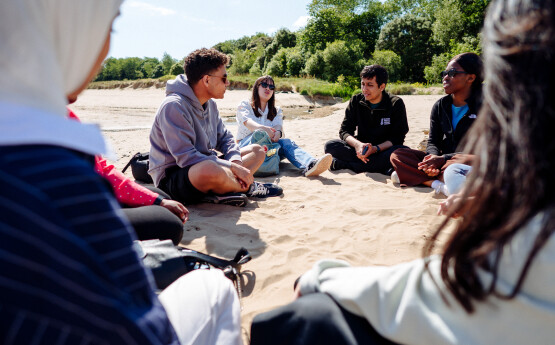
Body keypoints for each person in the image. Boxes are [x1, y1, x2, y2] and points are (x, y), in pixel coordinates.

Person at [250, 0, 555, 343]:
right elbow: (364, 134)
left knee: (400, 157)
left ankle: (431, 177)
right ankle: (411, 172)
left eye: (452, 73)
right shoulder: (432, 105)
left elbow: (399, 139)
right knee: (341, 150)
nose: (445, 77)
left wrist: (391, 152)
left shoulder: (403, 104)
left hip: (444, 161)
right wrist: (361, 147)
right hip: (401, 158)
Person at [0, 1, 243, 344]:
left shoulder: (37, 144)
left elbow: (224, 138)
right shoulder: (48, 172)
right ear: (68, 33)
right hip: (179, 176)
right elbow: (135, 331)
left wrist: (231, 158)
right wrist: (161, 196)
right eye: (107, 28)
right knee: (214, 288)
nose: (104, 51)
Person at [149, 48, 282, 207]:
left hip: (208, 163)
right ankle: (248, 188)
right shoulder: (173, 106)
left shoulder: (210, 104)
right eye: (224, 78)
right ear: (206, 80)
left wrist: (235, 161)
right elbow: (187, 158)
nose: (228, 82)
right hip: (175, 176)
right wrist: (231, 167)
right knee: (210, 169)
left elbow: (225, 138)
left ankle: (223, 190)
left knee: (257, 151)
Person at [68, 108, 187, 245]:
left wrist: (157, 200)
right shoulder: (50, 119)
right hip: (80, 215)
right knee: (169, 223)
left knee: (160, 196)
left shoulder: (63, 113)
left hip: (96, 194)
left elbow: (103, 169)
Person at [389, 53, 483, 195]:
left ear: (471, 77)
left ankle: (421, 178)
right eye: (444, 73)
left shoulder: (486, 106)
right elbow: (433, 141)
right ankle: (440, 184)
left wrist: (442, 159)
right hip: (443, 162)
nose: (445, 77)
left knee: (465, 163)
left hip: (467, 159)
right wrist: (430, 159)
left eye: (452, 73)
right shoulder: (440, 106)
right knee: (397, 154)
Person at [236, 75, 332, 177]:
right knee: (258, 133)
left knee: (286, 142)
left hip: (270, 149)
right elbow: (248, 122)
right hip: (248, 146)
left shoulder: (276, 110)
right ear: (256, 87)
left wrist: (278, 133)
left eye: (271, 87)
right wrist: (264, 130)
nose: (268, 88)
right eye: (264, 85)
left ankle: (310, 164)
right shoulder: (245, 104)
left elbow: (278, 126)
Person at [324, 65, 409, 175]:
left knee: (402, 151)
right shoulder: (356, 100)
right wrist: (358, 145)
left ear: (382, 86)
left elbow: (398, 137)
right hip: (360, 151)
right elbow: (344, 131)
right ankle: (381, 168)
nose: (364, 89)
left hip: (383, 150)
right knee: (330, 145)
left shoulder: (395, 103)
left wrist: (375, 149)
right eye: (363, 84)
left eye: (370, 85)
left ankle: (344, 165)